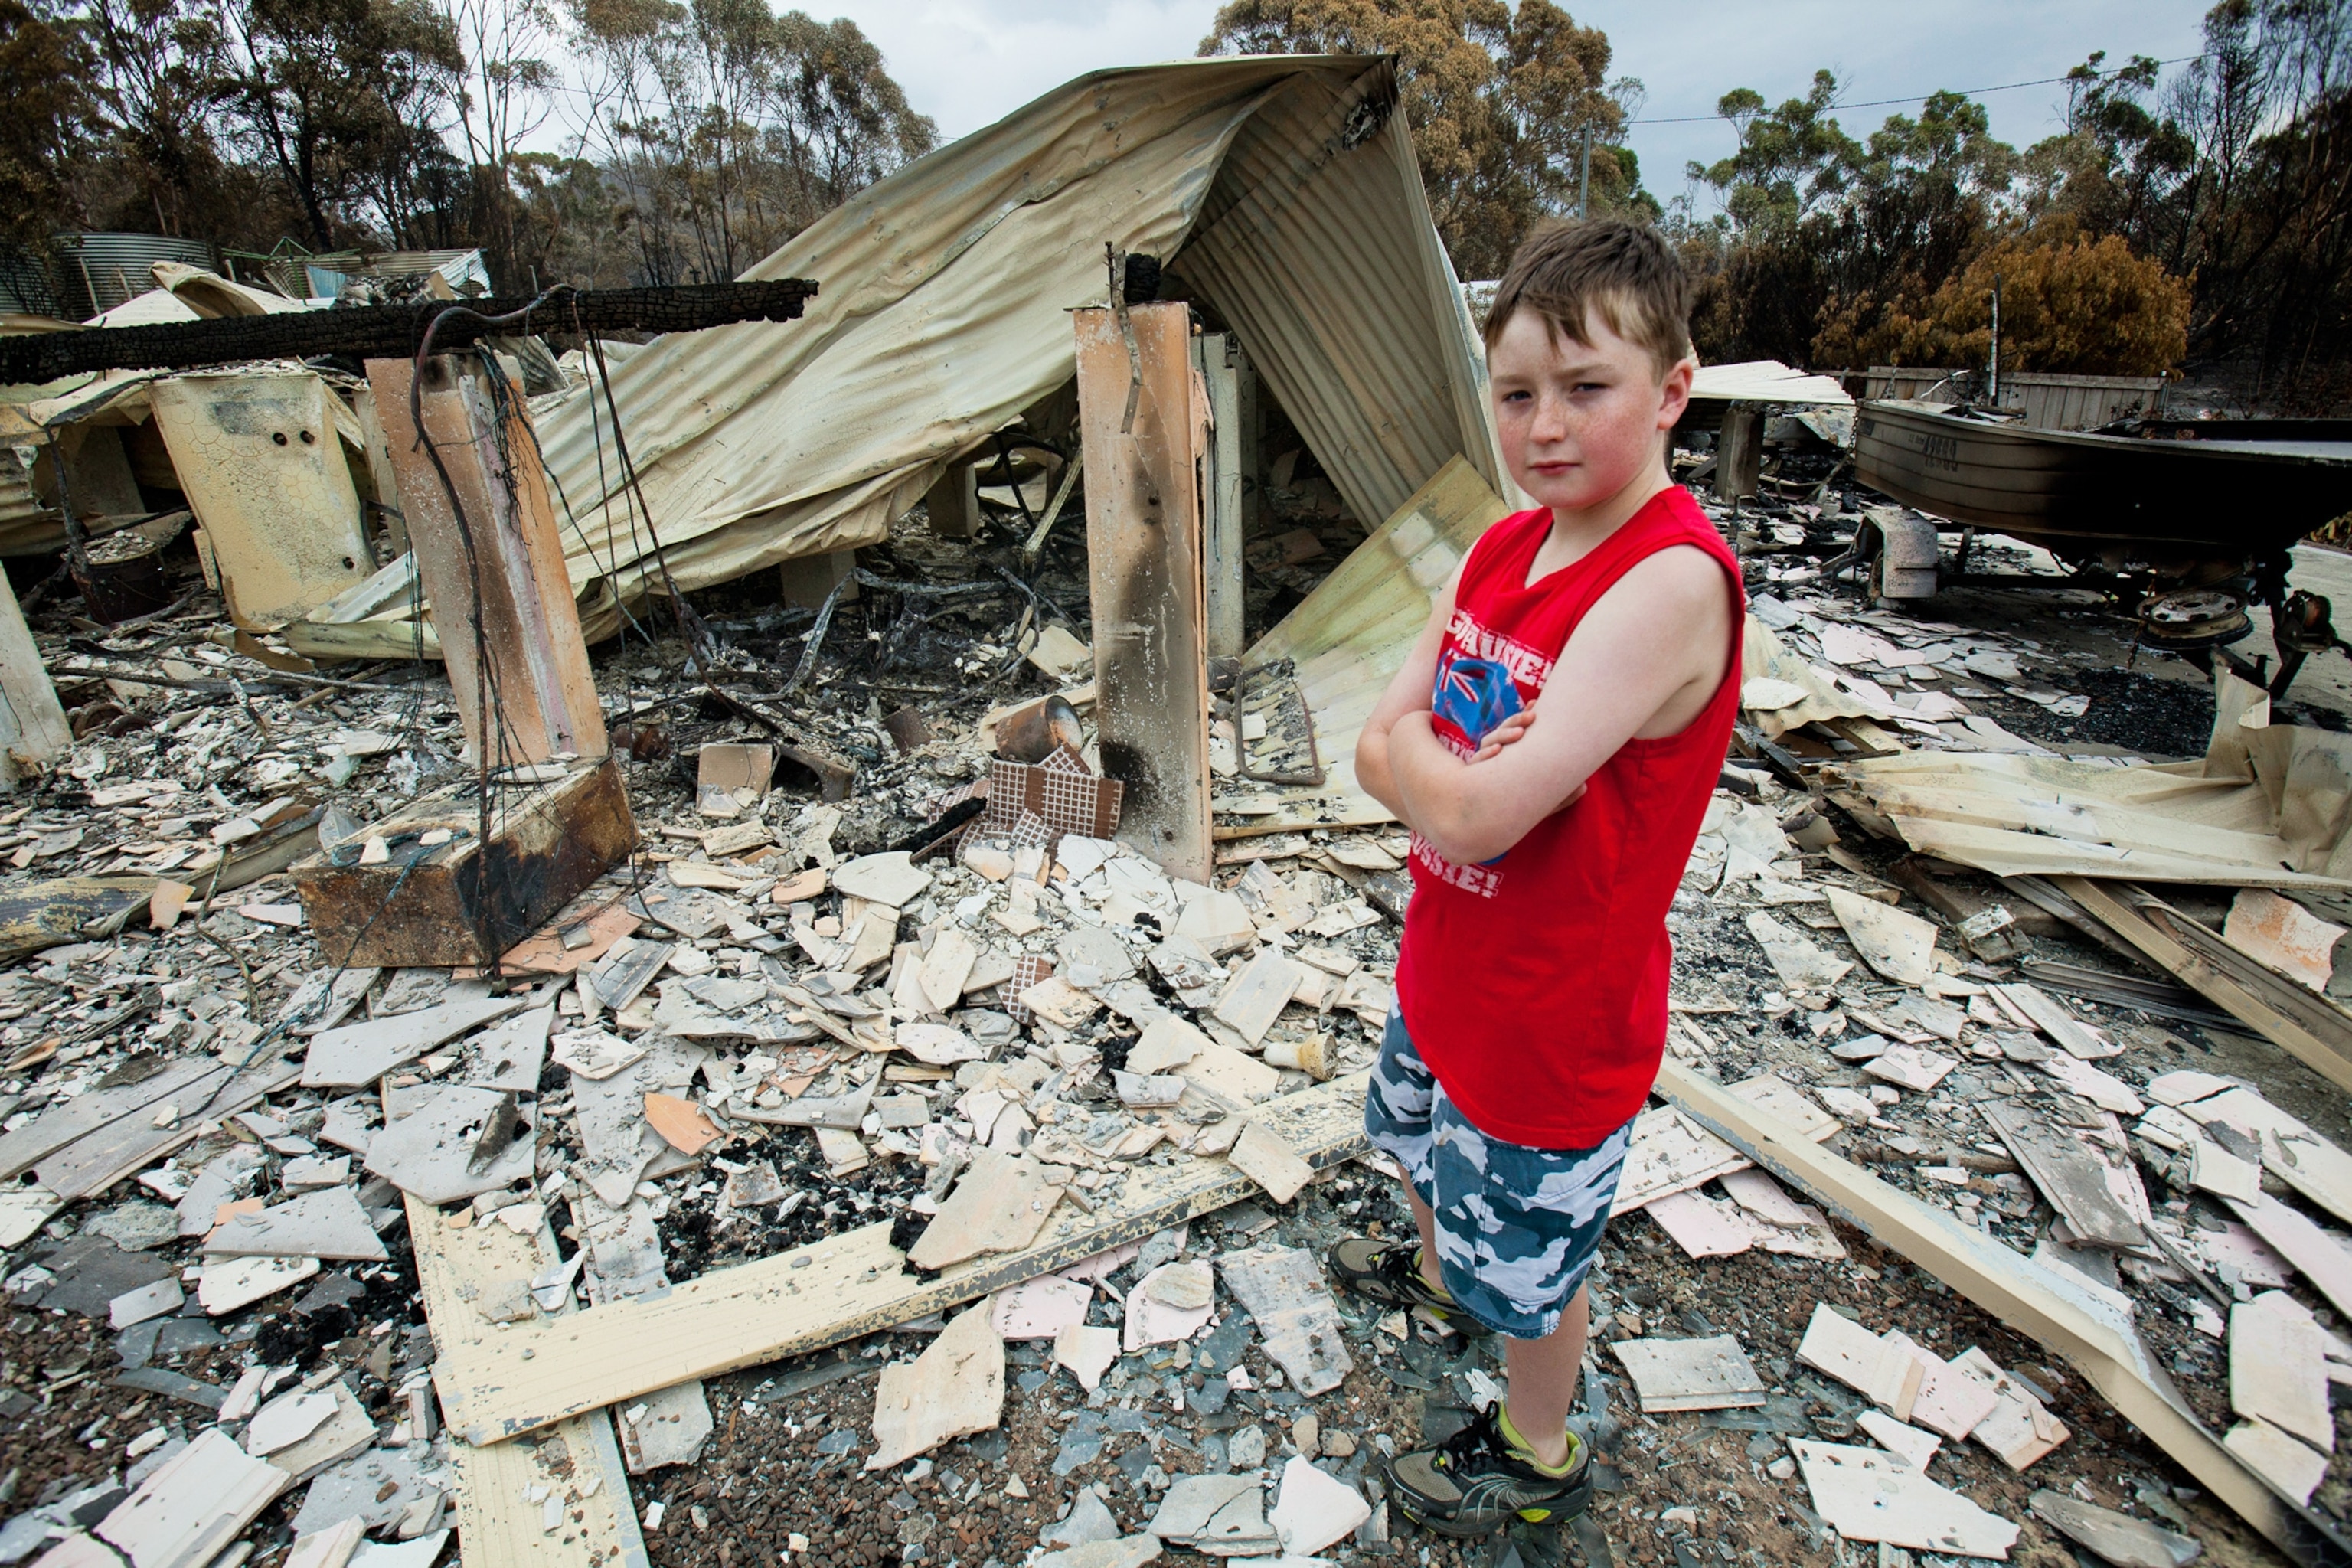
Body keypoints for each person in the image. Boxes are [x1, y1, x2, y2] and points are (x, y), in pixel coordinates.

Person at [1329, 217, 1743, 1538]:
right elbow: (1372, 752)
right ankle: (1447, 1273)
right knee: (1419, 1152)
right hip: (1450, 967)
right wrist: (1441, 772)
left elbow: (1478, 807)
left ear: (1673, 391)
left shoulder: (1671, 580)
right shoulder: (1502, 548)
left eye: (1587, 388)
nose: (1545, 425)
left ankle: (1539, 1444)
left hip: (1556, 1012)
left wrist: (1439, 769)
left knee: (1536, 1271)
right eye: (1517, 394)